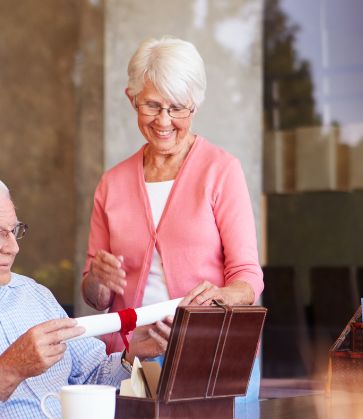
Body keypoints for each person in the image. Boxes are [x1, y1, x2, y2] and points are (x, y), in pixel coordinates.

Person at [0, 175, 164, 419]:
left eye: (14, 231)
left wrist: (131, 356)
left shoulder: (30, 293)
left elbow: (91, 375)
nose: (13, 248)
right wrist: (9, 370)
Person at [81, 36, 264, 359]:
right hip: (130, 356)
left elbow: (248, 277)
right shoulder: (112, 183)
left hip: (207, 350)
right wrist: (97, 279)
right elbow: (97, 298)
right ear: (131, 98)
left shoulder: (221, 170)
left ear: (195, 103)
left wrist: (220, 298)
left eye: (177, 107)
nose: (164, 121)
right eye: (151, 105)